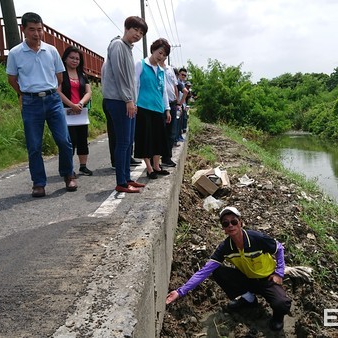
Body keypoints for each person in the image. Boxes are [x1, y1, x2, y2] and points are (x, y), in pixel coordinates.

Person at [166, 207, 291, 331]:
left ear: (240, 223)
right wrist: (180, 291)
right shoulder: (225, 247)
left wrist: (279, 273)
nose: (230, 225)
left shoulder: (256, 238)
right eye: (226, 223)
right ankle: (249, 300)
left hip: (267, 280)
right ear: (224, 229)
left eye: (234, 221)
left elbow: (279, 248)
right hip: (247, 279)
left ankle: (278, 317)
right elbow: (204, 271)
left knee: (282, 304)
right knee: (218, 271)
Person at [6, 12, 77, 198]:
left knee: (64, 140)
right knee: (34, 145)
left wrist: (51, 90)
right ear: (23, 30)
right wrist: (24, 94)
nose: (37, 34)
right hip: (30, 102)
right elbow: (12, 79)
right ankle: (38, 183)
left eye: (39, 29)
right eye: (32, 30)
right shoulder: (15, 53)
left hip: (52, 100)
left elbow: (59, 76)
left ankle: (68, 174)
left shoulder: (51, 50)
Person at [101, 16, 148, 193]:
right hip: (119, 101)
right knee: (122, 142)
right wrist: (129, 100)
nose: (138, 34)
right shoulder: (118, 45)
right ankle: (121, 182)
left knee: (128, 142)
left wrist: (132, 101)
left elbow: (130, 79)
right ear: (127, 27)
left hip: (127, 101)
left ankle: (127, 178)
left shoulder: (128, 49)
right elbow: (121, 76)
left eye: (141, 33)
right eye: (135, 30)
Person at [134, 38, 171, 179]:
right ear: (153, 50)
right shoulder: (141, 64)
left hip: (158, 109)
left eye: (164, 55)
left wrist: (167, 109)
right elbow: (135, 85)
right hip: (143, 107)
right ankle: (149, 168)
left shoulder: (162, 71)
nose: (161, 57)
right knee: (145, 138)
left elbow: (163, 92)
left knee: (158, 139)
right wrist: (134, 103)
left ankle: (157, 165)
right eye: (160, 53)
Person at [59, 46, 93, 176]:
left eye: (77, 59)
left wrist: (80, 103)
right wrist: (71, 105)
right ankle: (69, 168)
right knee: (70, 140)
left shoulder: (82, 75)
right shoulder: (61, 74)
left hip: (80, 112)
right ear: (65, 59)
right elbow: (58, 92)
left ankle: (83, 166)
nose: (74, 61)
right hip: (66, 112)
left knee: (82, 139)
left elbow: (88, 92)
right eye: (72, 58)